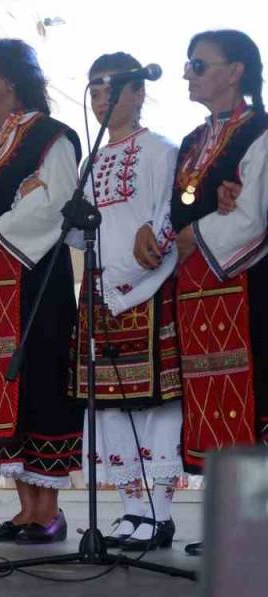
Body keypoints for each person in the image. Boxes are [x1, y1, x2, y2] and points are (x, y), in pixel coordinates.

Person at [0, 40, 84, 544]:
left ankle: (49, 508)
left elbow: (57, 201)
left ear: (11, 78)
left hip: (34, 279)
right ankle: (24, 507)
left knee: (38, 381)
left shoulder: (52, 137)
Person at [151, 30, 268, 556]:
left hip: (248, 286)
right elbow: (180, 210)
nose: (187, 74)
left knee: (255, 397)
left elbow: (254, 216)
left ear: (236, 69)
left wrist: (196, 233)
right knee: (212, 403)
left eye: (199, 65)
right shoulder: (196, 140)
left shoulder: (262, 132)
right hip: (199, 288)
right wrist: (170, 235)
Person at [69, 53, 183, 551]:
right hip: (98, 290)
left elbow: (170, 214)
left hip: (150, 288)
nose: (101, 99)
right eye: (94, 89)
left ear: (138, 93)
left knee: (154, 402)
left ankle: (160, 512)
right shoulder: (90, 159)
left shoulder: (161, 150)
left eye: (112, 89)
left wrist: (148, 243)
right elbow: (78, 233)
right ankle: (130, 510)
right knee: (109, 406)